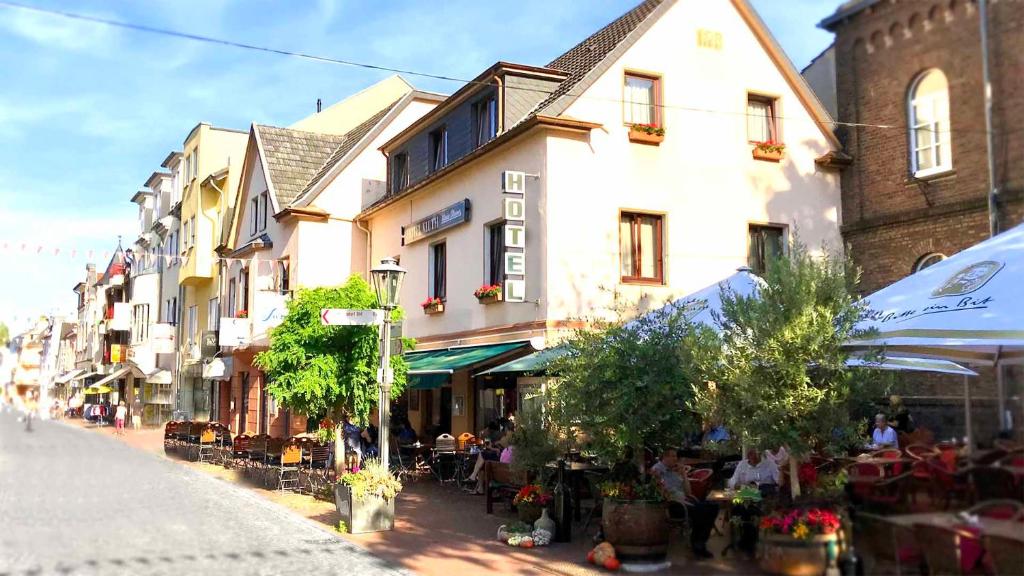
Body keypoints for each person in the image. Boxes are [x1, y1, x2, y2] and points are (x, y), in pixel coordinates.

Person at [651, 447, 719, 559]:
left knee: (713, 507)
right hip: (673, 505)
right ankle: (698, 545)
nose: (675, 458)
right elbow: (660, 493)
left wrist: (683, 474)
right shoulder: (657, 470)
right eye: (672, 456)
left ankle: (699, 541)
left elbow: (688, 492)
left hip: (685, 501)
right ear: (665, 457)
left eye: (676, 456)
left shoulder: (675, 470)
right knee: (702, 511)